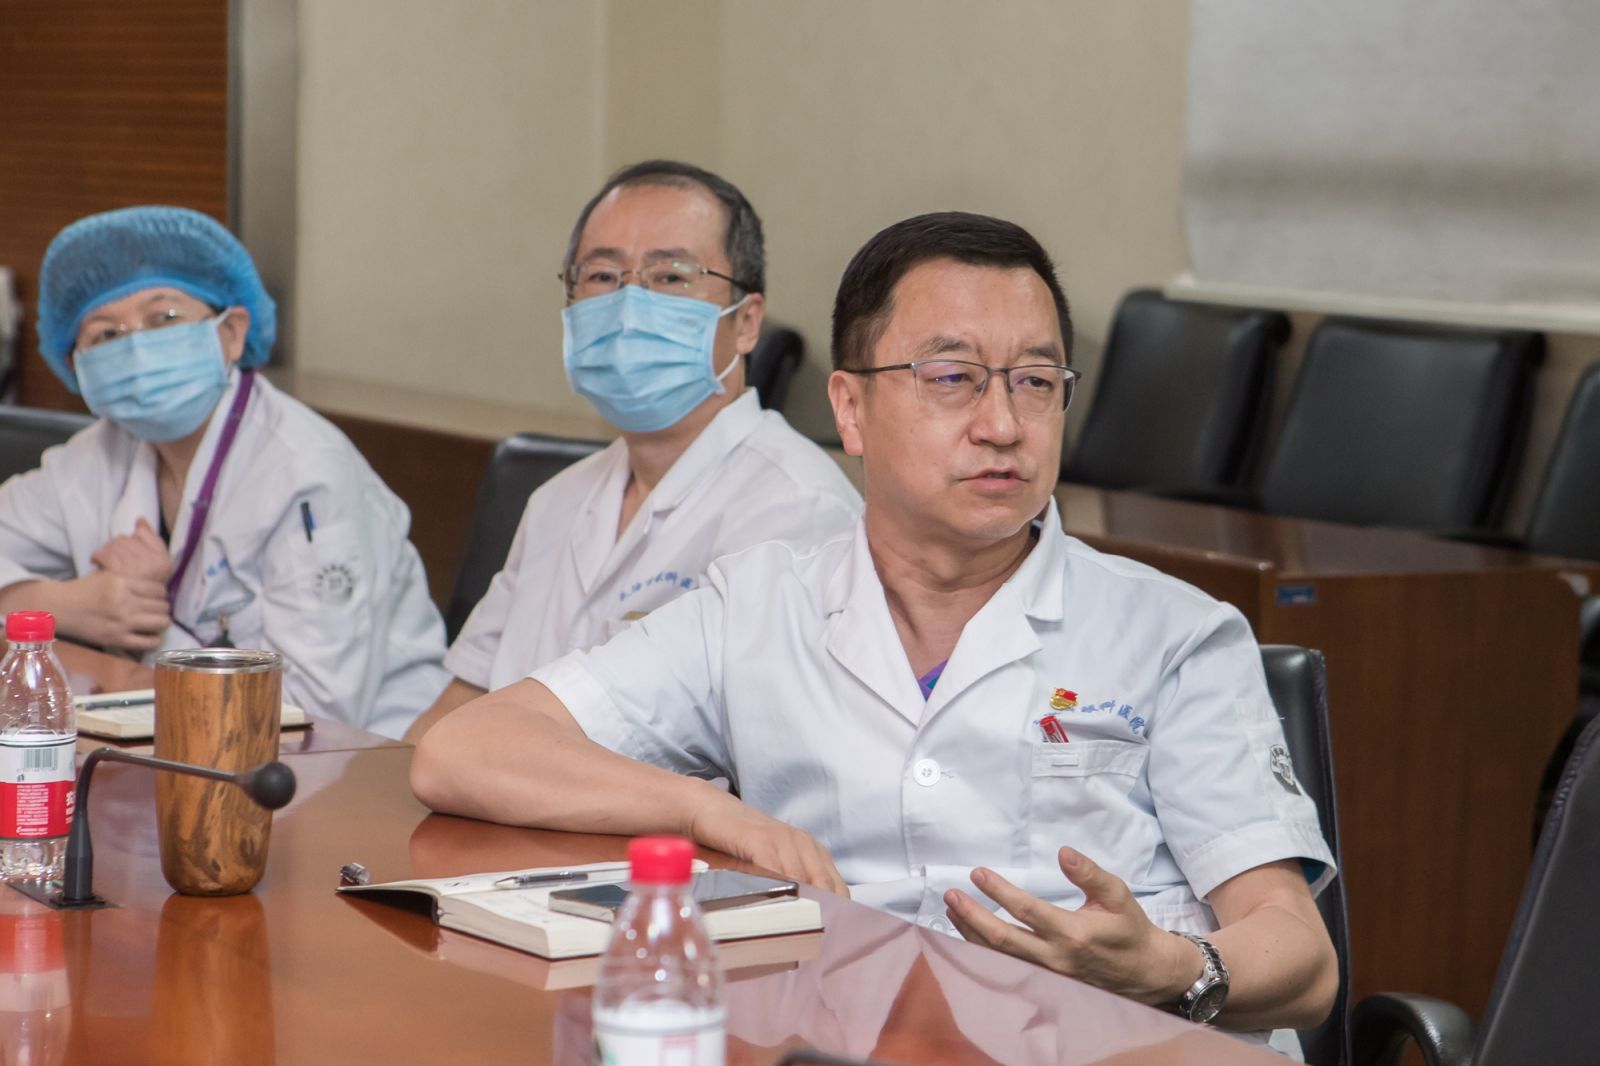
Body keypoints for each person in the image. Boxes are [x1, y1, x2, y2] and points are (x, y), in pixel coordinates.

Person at [412, 212, 1337, 1042]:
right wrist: (706, 811)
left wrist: (1173, 968)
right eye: (953, 378)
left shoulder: (1174, 631)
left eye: (1035, 381)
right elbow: (466, 750)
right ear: (850, 409)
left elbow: (1303, 960)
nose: (1003, 424)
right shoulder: (759, 605)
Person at [403, 160, 861, 742]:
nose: (628, 306)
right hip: (495, 796)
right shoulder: (555, 501)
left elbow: (766, 762)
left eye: (670, 276)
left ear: (747, 323)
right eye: (602, 276)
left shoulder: (796, 511)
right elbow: (456, 711)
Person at [0, 205, 448, 739]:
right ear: (76, 363)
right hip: (180, 742)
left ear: (231, 333)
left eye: (164, 318)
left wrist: (151, 628)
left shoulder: (306, 472)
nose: (136, 347)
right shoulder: (96, 456)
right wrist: (62, 605)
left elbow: (312, 707)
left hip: (352, 760)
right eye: (105, 335)